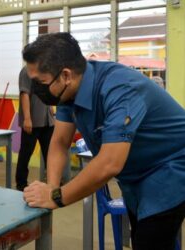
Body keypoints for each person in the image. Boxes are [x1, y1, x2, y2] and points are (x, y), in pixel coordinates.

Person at [22, 32, 185, 250]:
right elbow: (60, 141)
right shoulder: (66, 93)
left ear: (65, 75)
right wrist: (52, 185)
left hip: (172, 167)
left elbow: (110, 162)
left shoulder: (120, 88)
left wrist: (57, 197)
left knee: (150, 241)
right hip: (136, 175)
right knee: (147, 238)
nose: (36, 90)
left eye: (40, 82)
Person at [15, 66, 55, 191]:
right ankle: (21, 184)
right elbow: (24, 94)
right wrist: (27, 118)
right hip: (32, 121)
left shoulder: (46, 70)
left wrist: (51, 108)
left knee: (50, 154)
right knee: (26, 154)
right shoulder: (26, 71)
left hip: (47, 120)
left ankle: (52, 182)